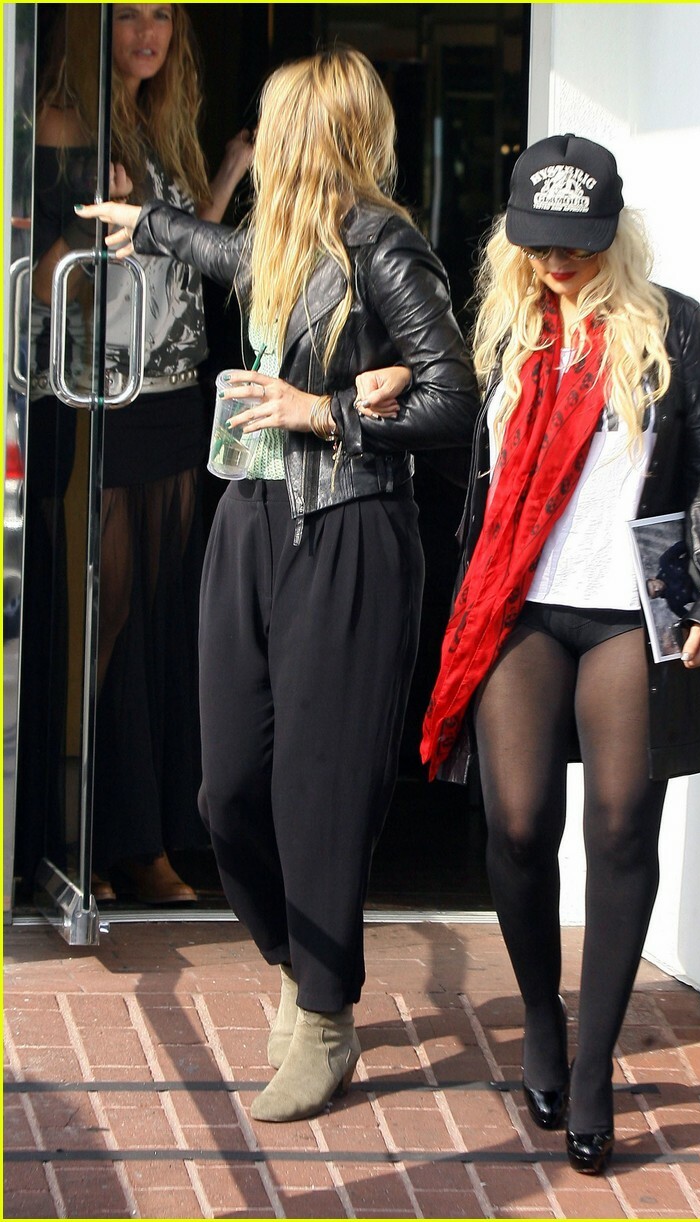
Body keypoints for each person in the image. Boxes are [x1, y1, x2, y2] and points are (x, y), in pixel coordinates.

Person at [79, 47, 478, 1122]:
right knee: (228, 790)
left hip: (345, 527)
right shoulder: (282, 238)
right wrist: (148, 225)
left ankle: (326, 1013)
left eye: (276, 122)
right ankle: (297, 965)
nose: (261, 140)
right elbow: (222, 249)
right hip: (251, 521)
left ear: (316, 131)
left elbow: (456, 399)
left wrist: (328, 411)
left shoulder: (383, 243)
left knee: (319, 790)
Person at [421, 134, 700, 1174]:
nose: (559, 262)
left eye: (578, 243)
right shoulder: (504, 332)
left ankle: (595, 1063)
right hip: (518, 605)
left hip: (626, 611)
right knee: (517, 823)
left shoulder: (669, 325)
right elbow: (464, 461)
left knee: (618, 824)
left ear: (615, 232)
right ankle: (539, 1016)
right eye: (542, 243)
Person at [23, 3, 254, 905]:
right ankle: (82, 842)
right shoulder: (64, 123)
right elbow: (45, 279)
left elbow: (176, 251)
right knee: (103, 620)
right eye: (129, 16)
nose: (148, 32)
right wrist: (90, 227)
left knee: (161, 619)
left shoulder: (160, 125)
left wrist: (228, 170)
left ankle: (146, 839)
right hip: (98, 397)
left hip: (174, 391)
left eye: (162, 16)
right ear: (95, 26)